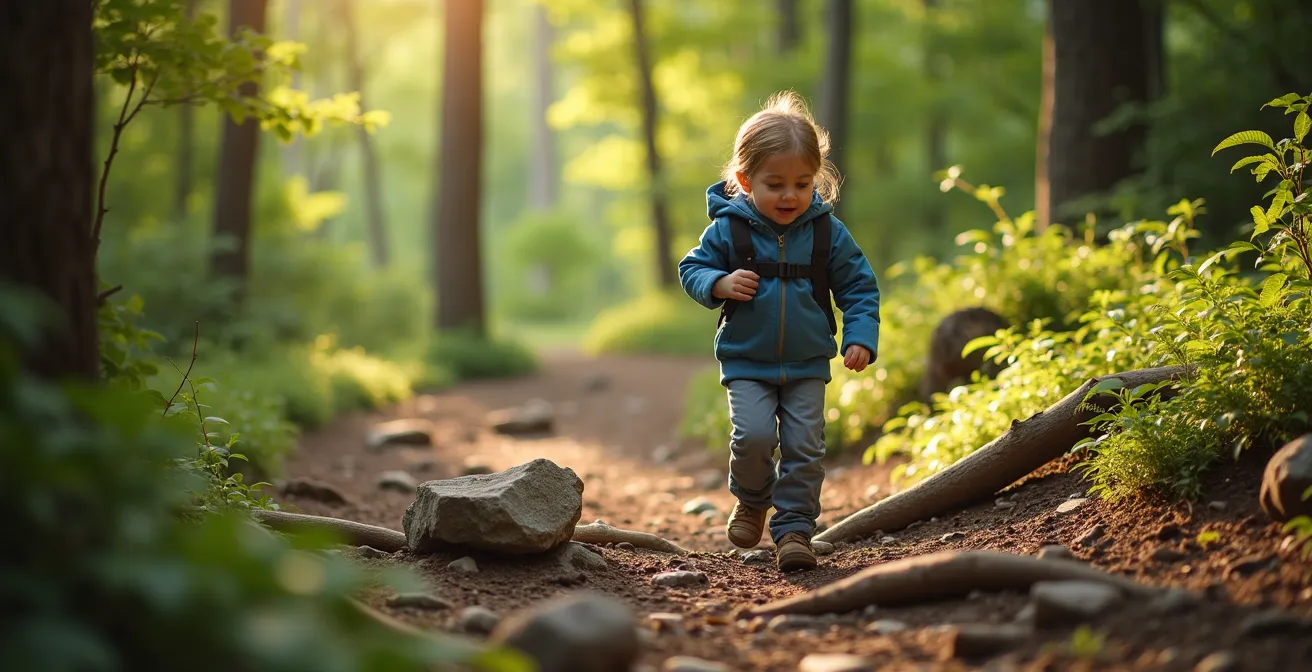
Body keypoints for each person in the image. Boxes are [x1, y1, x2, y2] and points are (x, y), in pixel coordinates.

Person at [677, 91, 881, 572]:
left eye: (802, 183)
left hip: (808, 362)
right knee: (751, 437)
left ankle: (794, 529)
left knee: (806, 446)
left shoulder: (829, 233)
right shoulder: (729, 231)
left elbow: (859, 287)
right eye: (775, 184)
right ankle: (752, 499)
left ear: (817, 179)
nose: (790, 196)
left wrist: (860, 335)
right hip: (748, 359)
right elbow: (692, 269)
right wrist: (719, 283)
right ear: (745, 181)